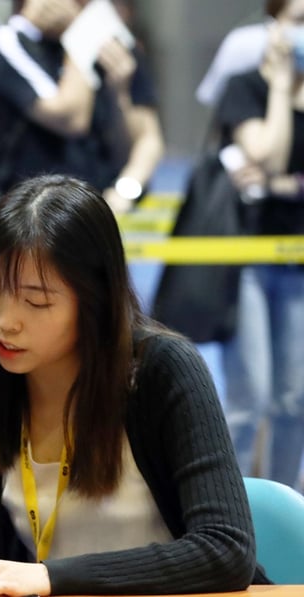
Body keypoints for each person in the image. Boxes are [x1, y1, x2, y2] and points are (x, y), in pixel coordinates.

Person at [0, 174, 267, 596]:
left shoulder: (162, 373)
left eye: (36, 300)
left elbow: (225, 549)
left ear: (94, 299)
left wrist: (51, 576)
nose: (5, 320)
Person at [215, 0, 304, 490]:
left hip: (298, 263)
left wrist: (290, 185)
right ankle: (230, 512)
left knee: (295, 399)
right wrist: (280, 84)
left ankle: (288, 507)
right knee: (251, 398)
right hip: (246, 257)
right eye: (298, 22)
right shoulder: (245, 86)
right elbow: (267, 156)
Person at [0, 0, 163, 215]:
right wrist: (78, 40)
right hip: (32, 216)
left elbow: (148, 139)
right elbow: (72, 118)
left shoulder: (113, 44)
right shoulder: (12, 42)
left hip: (99, 211)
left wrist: (124, 191)